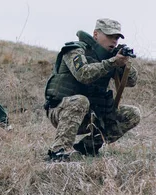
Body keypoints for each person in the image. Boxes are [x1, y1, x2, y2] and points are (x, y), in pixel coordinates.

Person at [44, 18, 140, 161]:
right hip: (61, 111)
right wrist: (112, 62)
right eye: (109, 36)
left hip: (93, 115)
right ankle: (59, 151)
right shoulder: (75, 49)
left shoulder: (111, 57)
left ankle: (89, 147)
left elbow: (131, 81)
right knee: (80, 101)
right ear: (96, 34)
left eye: (116, 38)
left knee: (133, 114)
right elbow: (83, 74)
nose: (113, 41)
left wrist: (123, 63)